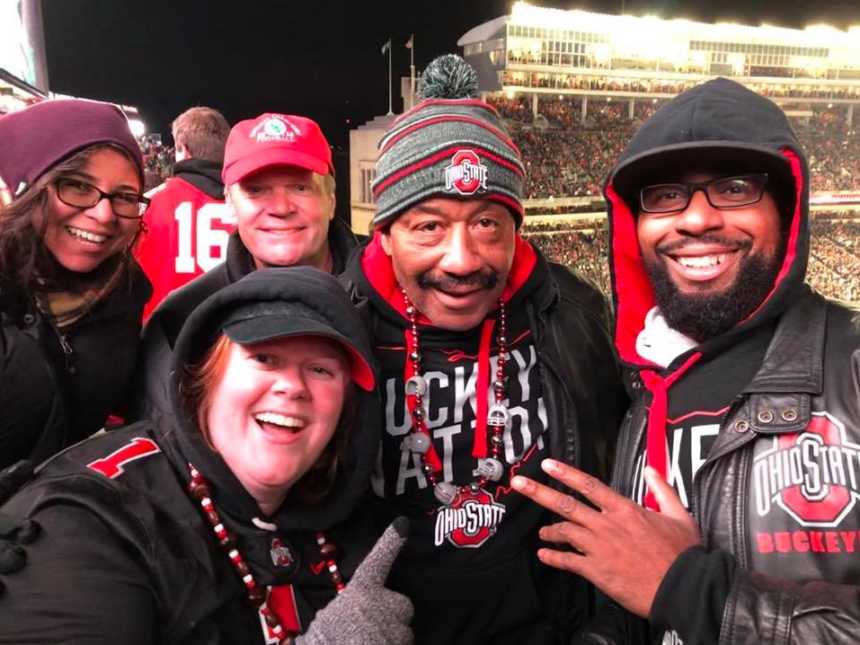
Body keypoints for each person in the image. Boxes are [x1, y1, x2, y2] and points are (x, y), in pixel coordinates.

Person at [512, 77, 860, 644]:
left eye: (735, 186)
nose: (695, 221)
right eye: (666, 194)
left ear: (788, 209)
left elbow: (666, 586)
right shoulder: (641, 387)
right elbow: (634, 596)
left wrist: (693, 591)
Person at [341, 55, 625, 643]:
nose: (463, 259)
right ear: (385, 231)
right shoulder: (337, 328)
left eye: (487, 223)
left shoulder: (573, 314)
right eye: (429, 226)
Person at [0, 266, 413, 644]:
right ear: (205, 378)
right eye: (263, 358)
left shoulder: (353, 518)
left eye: (321, 369)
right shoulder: (92, 519)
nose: (292, 386)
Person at [133, 112, 362, 427]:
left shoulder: (387, 291)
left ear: (331, 199)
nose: (281, 208)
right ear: (229, 202)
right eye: (256, 190)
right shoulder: (180, 321)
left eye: (300, 188)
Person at [0, 99, 152, 468]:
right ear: (24, 188)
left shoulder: (124, 295)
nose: (103, 214)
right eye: (77, 186)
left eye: (124, 196)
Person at [134, 106, 233, 320]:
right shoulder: (254, 206)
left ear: (184, 150)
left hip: (162, 343)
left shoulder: (147, 205)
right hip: (236, 343)